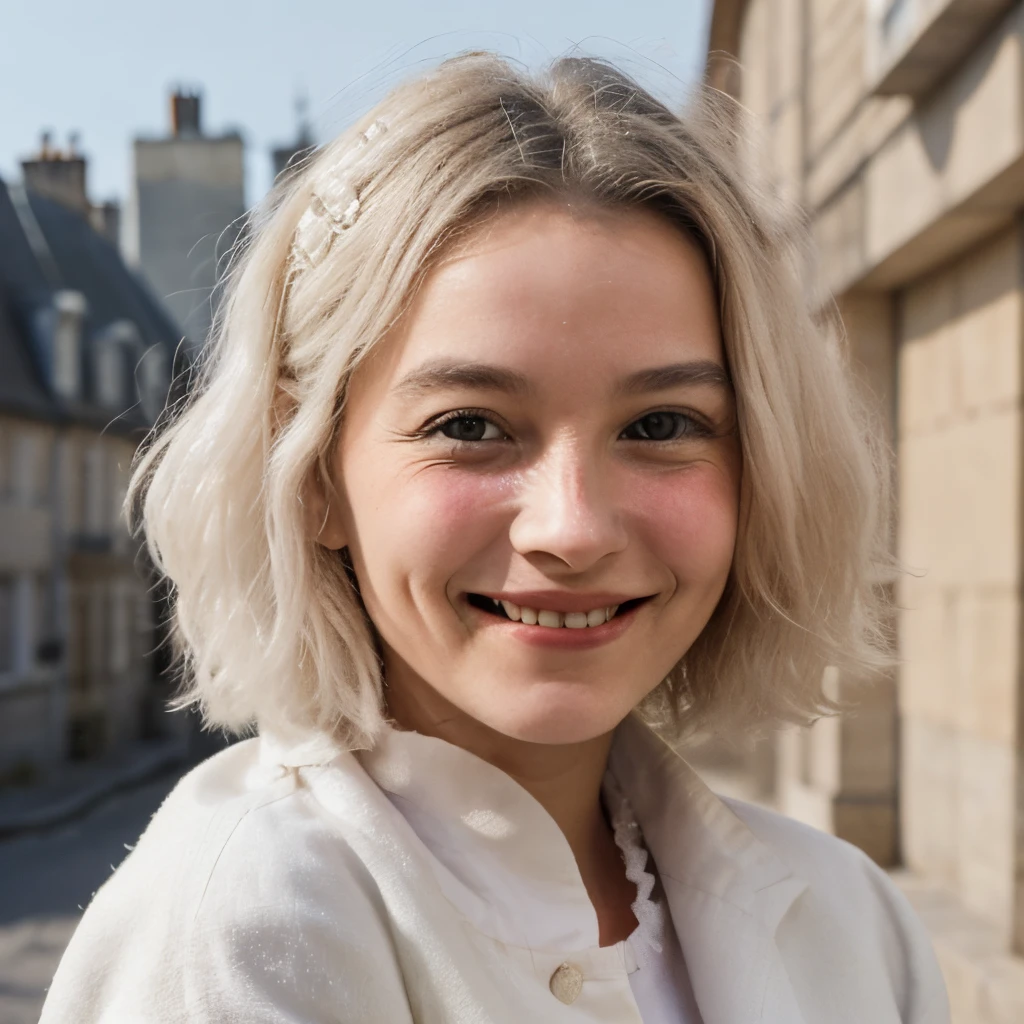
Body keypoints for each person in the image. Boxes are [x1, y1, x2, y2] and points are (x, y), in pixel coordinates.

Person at [40, 53, 950, 1023]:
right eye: (469, 425)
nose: (572, 526)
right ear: (308, 474)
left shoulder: (855, 926)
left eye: (660, 425)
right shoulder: (235, 936)